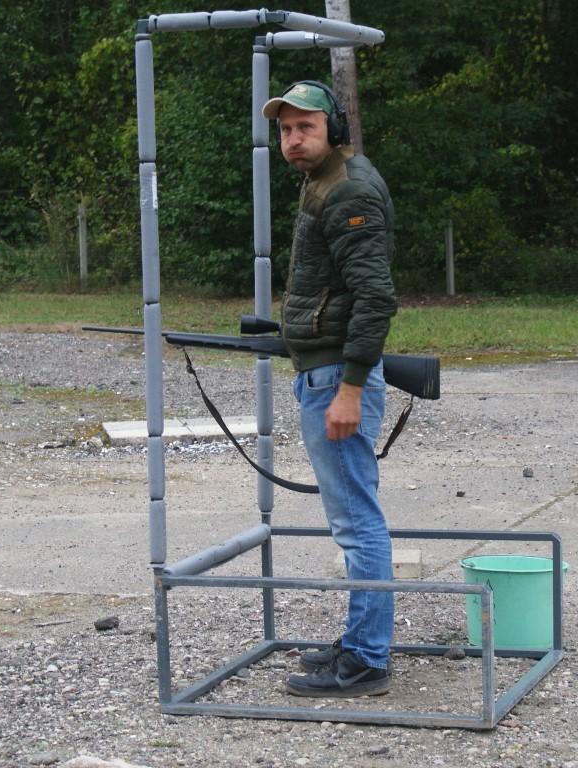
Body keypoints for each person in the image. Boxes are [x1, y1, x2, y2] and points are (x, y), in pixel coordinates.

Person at [261, 80, 398, 698]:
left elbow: (375, 298)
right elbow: (337, 289)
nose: (293, 139)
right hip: (327, 370)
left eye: (305, 128)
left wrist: (350, 388)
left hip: (337, 378)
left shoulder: (347, 191)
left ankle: (366, 659)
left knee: (356, 524)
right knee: (353, 518)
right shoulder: (326, 179)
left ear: (333, 128)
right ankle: (360, 641)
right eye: (286, 130)